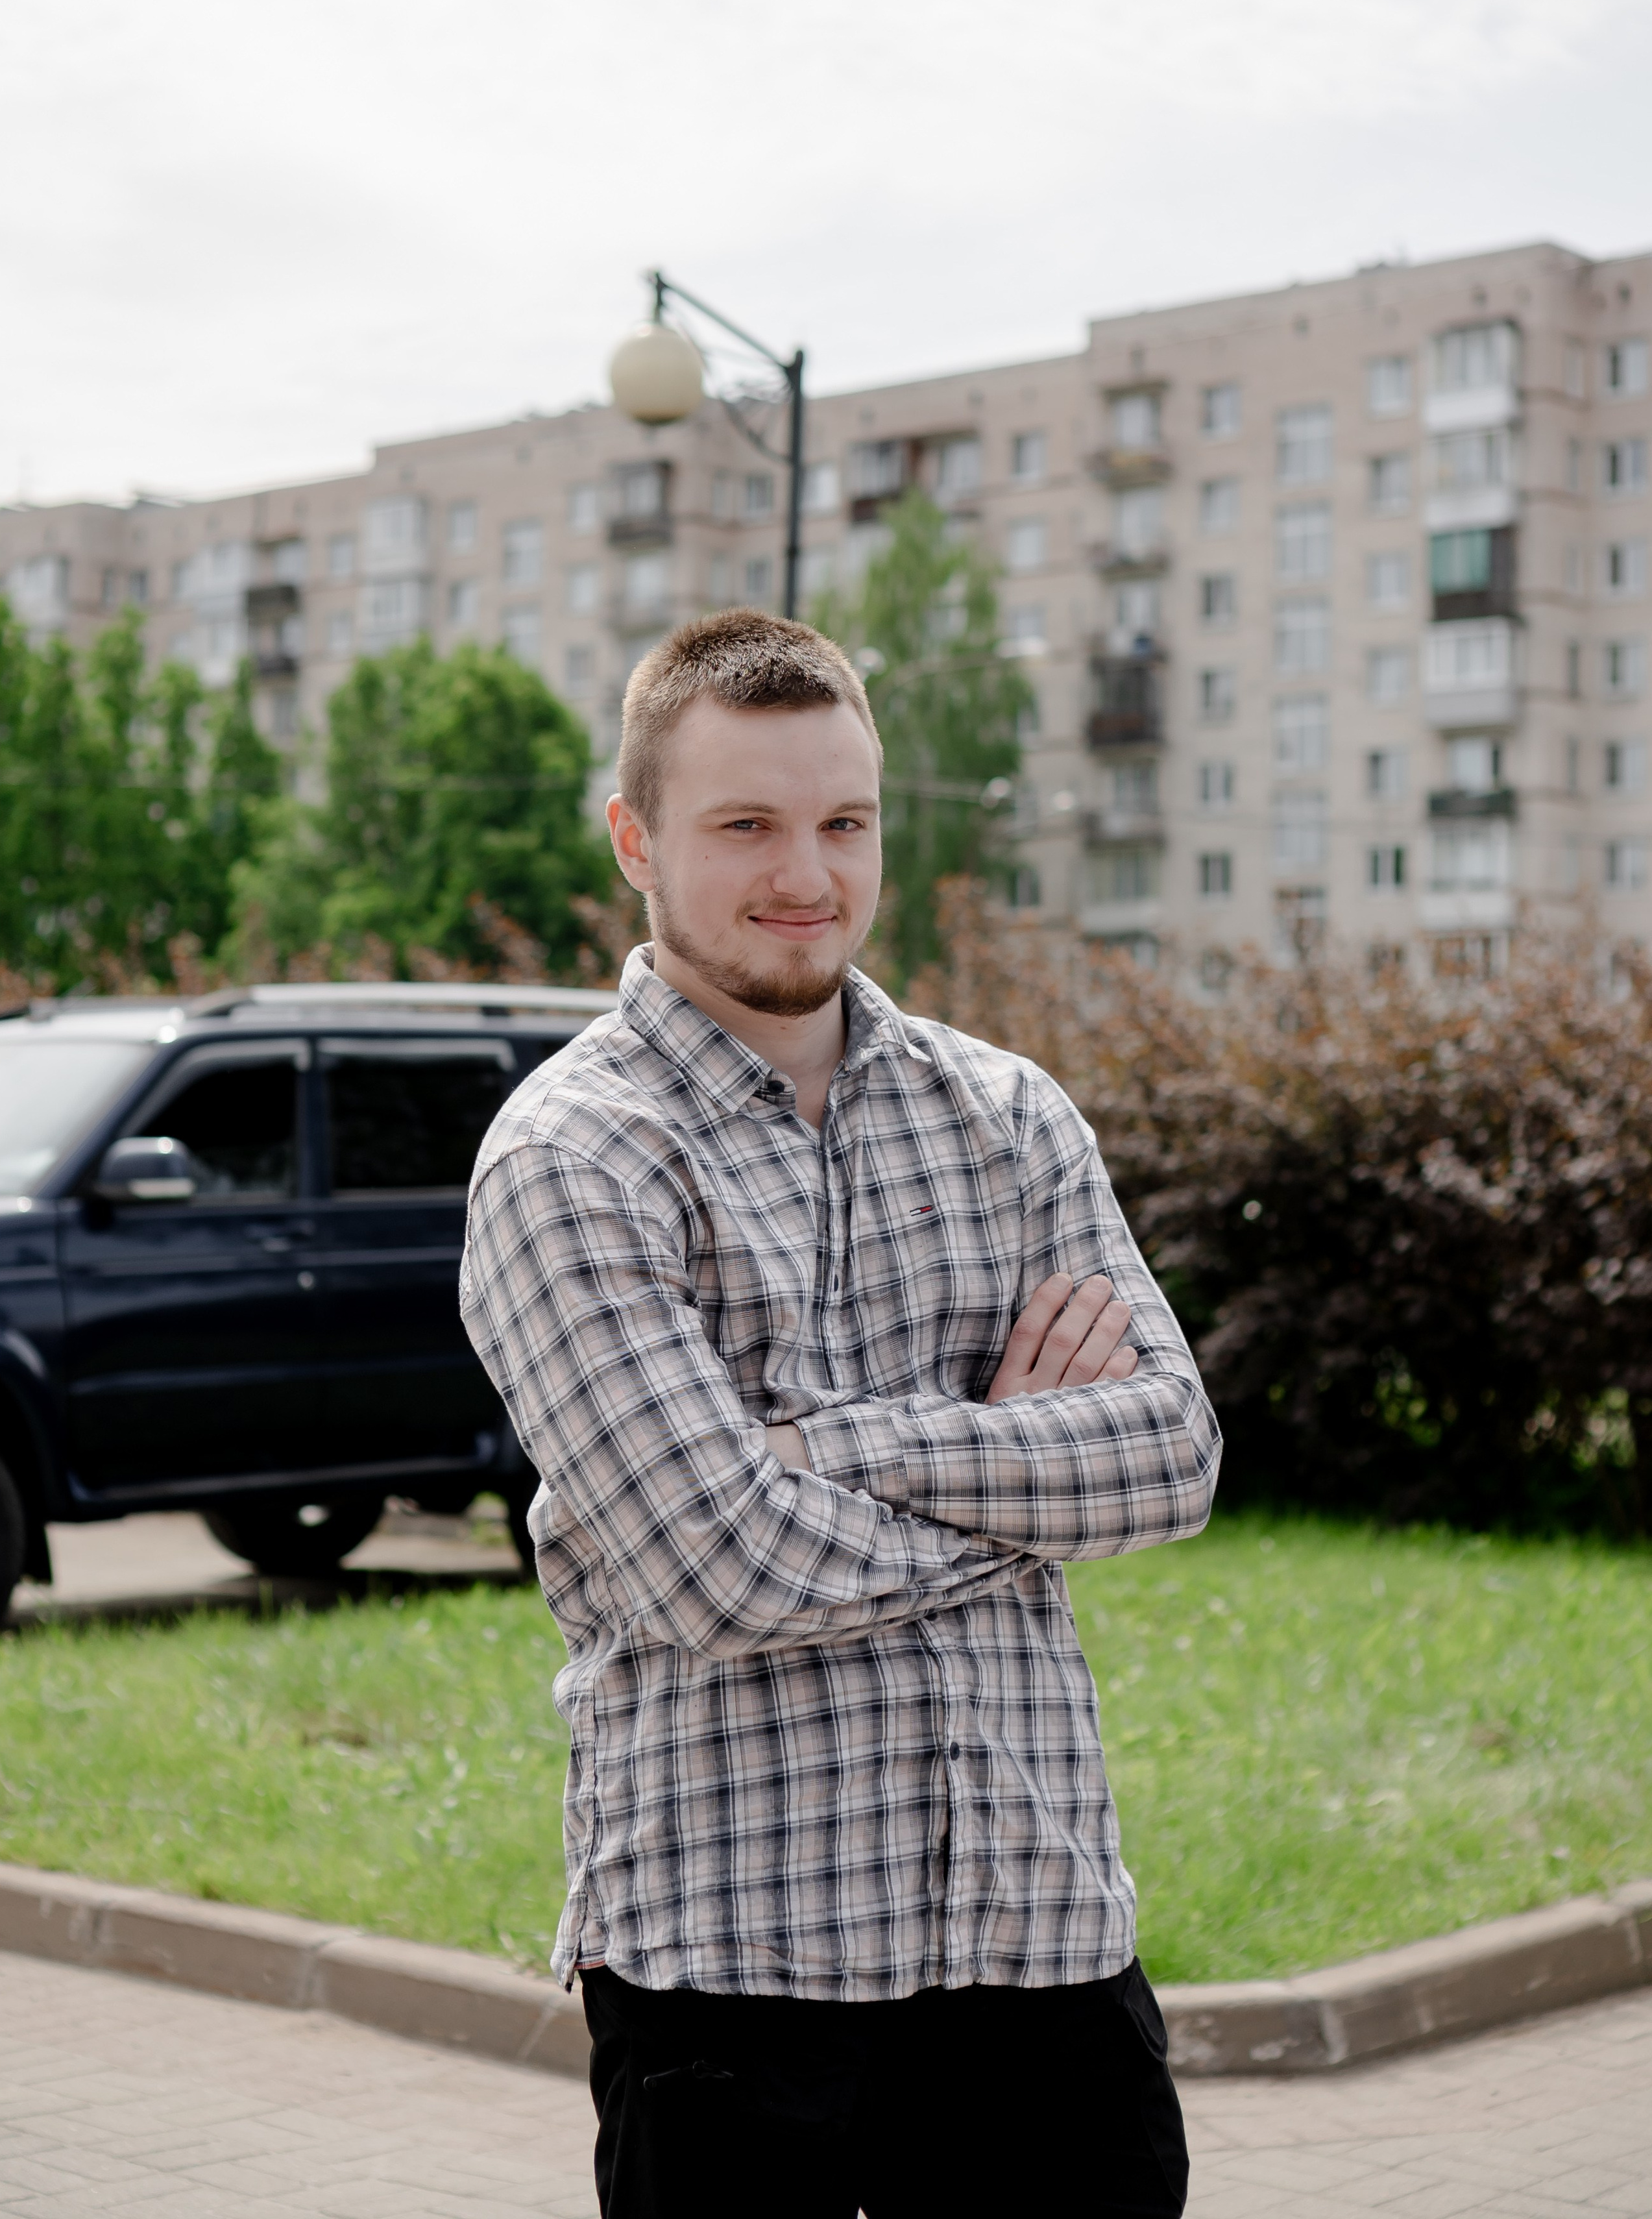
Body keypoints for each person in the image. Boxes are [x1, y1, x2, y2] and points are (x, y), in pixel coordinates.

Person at [460, 609, 1221, 2218]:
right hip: (734, 1992)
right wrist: (1020, 1491)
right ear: (634, 842)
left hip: (1044, 1955)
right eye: (744, 824)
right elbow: (717, 1564)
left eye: (843, 822)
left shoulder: (1008, 1114)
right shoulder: (571, 1159)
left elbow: (1170, 1452)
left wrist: (840, 1448)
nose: (805, 872)